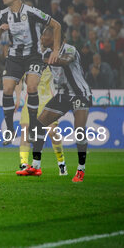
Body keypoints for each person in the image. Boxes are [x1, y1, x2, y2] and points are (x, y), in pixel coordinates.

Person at [0, 0, 62, 145]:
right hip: (15, 56)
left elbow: (56, 25)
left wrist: (56, 50)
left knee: (31, 87)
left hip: (33, 56)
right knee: (7, 88)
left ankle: (33, 129)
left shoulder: (32, 12)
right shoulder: (3, 15)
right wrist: (0, 31)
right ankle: (10, 130)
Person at [21, 27, 92, 182]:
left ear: (54, 38)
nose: (41, 39)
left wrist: (46, 59)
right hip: (62, 95)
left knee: (79, 130)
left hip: (80, 94)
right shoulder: (45, 53)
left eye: (44, 36)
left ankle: (80, 169)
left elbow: (64, 61)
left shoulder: (70, 49)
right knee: (40, 123)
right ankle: (36, 165)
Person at [14, 69, 67, 176]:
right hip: (30, 102)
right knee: (25, 131)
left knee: (52, 132)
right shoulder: (28, 61)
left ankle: (61, 163)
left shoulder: (50, 62)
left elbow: (62, 76)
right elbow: (18, 80)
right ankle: (24, 164)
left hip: (48, 103)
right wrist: (18, 98)